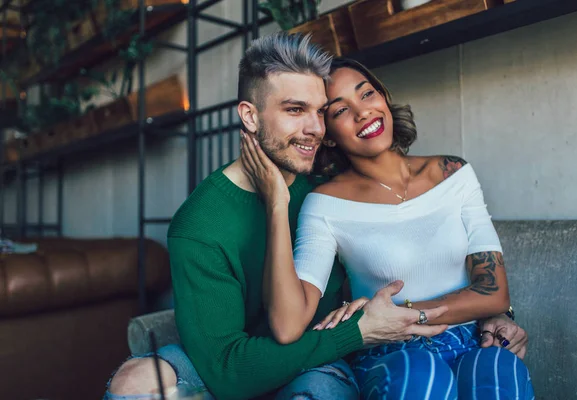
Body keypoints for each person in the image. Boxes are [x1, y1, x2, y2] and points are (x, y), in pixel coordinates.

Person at [104, 33, 529, 400]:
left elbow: (423, 246)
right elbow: (228, 371)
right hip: (266, 355)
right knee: (135, 382)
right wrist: (357, 331)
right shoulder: (198, 226)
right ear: (250, 116)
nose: (315, 129)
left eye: (319, 111)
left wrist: (493, 313)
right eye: (294, 110)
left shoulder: (325, 180)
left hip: (320, 357)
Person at [240, 56, 534, 399]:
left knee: (501, 368)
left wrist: (396, 312)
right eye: (339, 111)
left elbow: (494, 292)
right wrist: (277, 203)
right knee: (422, 375)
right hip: (392, 353)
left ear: (384, 97)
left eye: (367, 94)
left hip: (467, 337)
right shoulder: (324, 204)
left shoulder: (453, 172)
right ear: (328, 135)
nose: (362, 112)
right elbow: (288, 325)